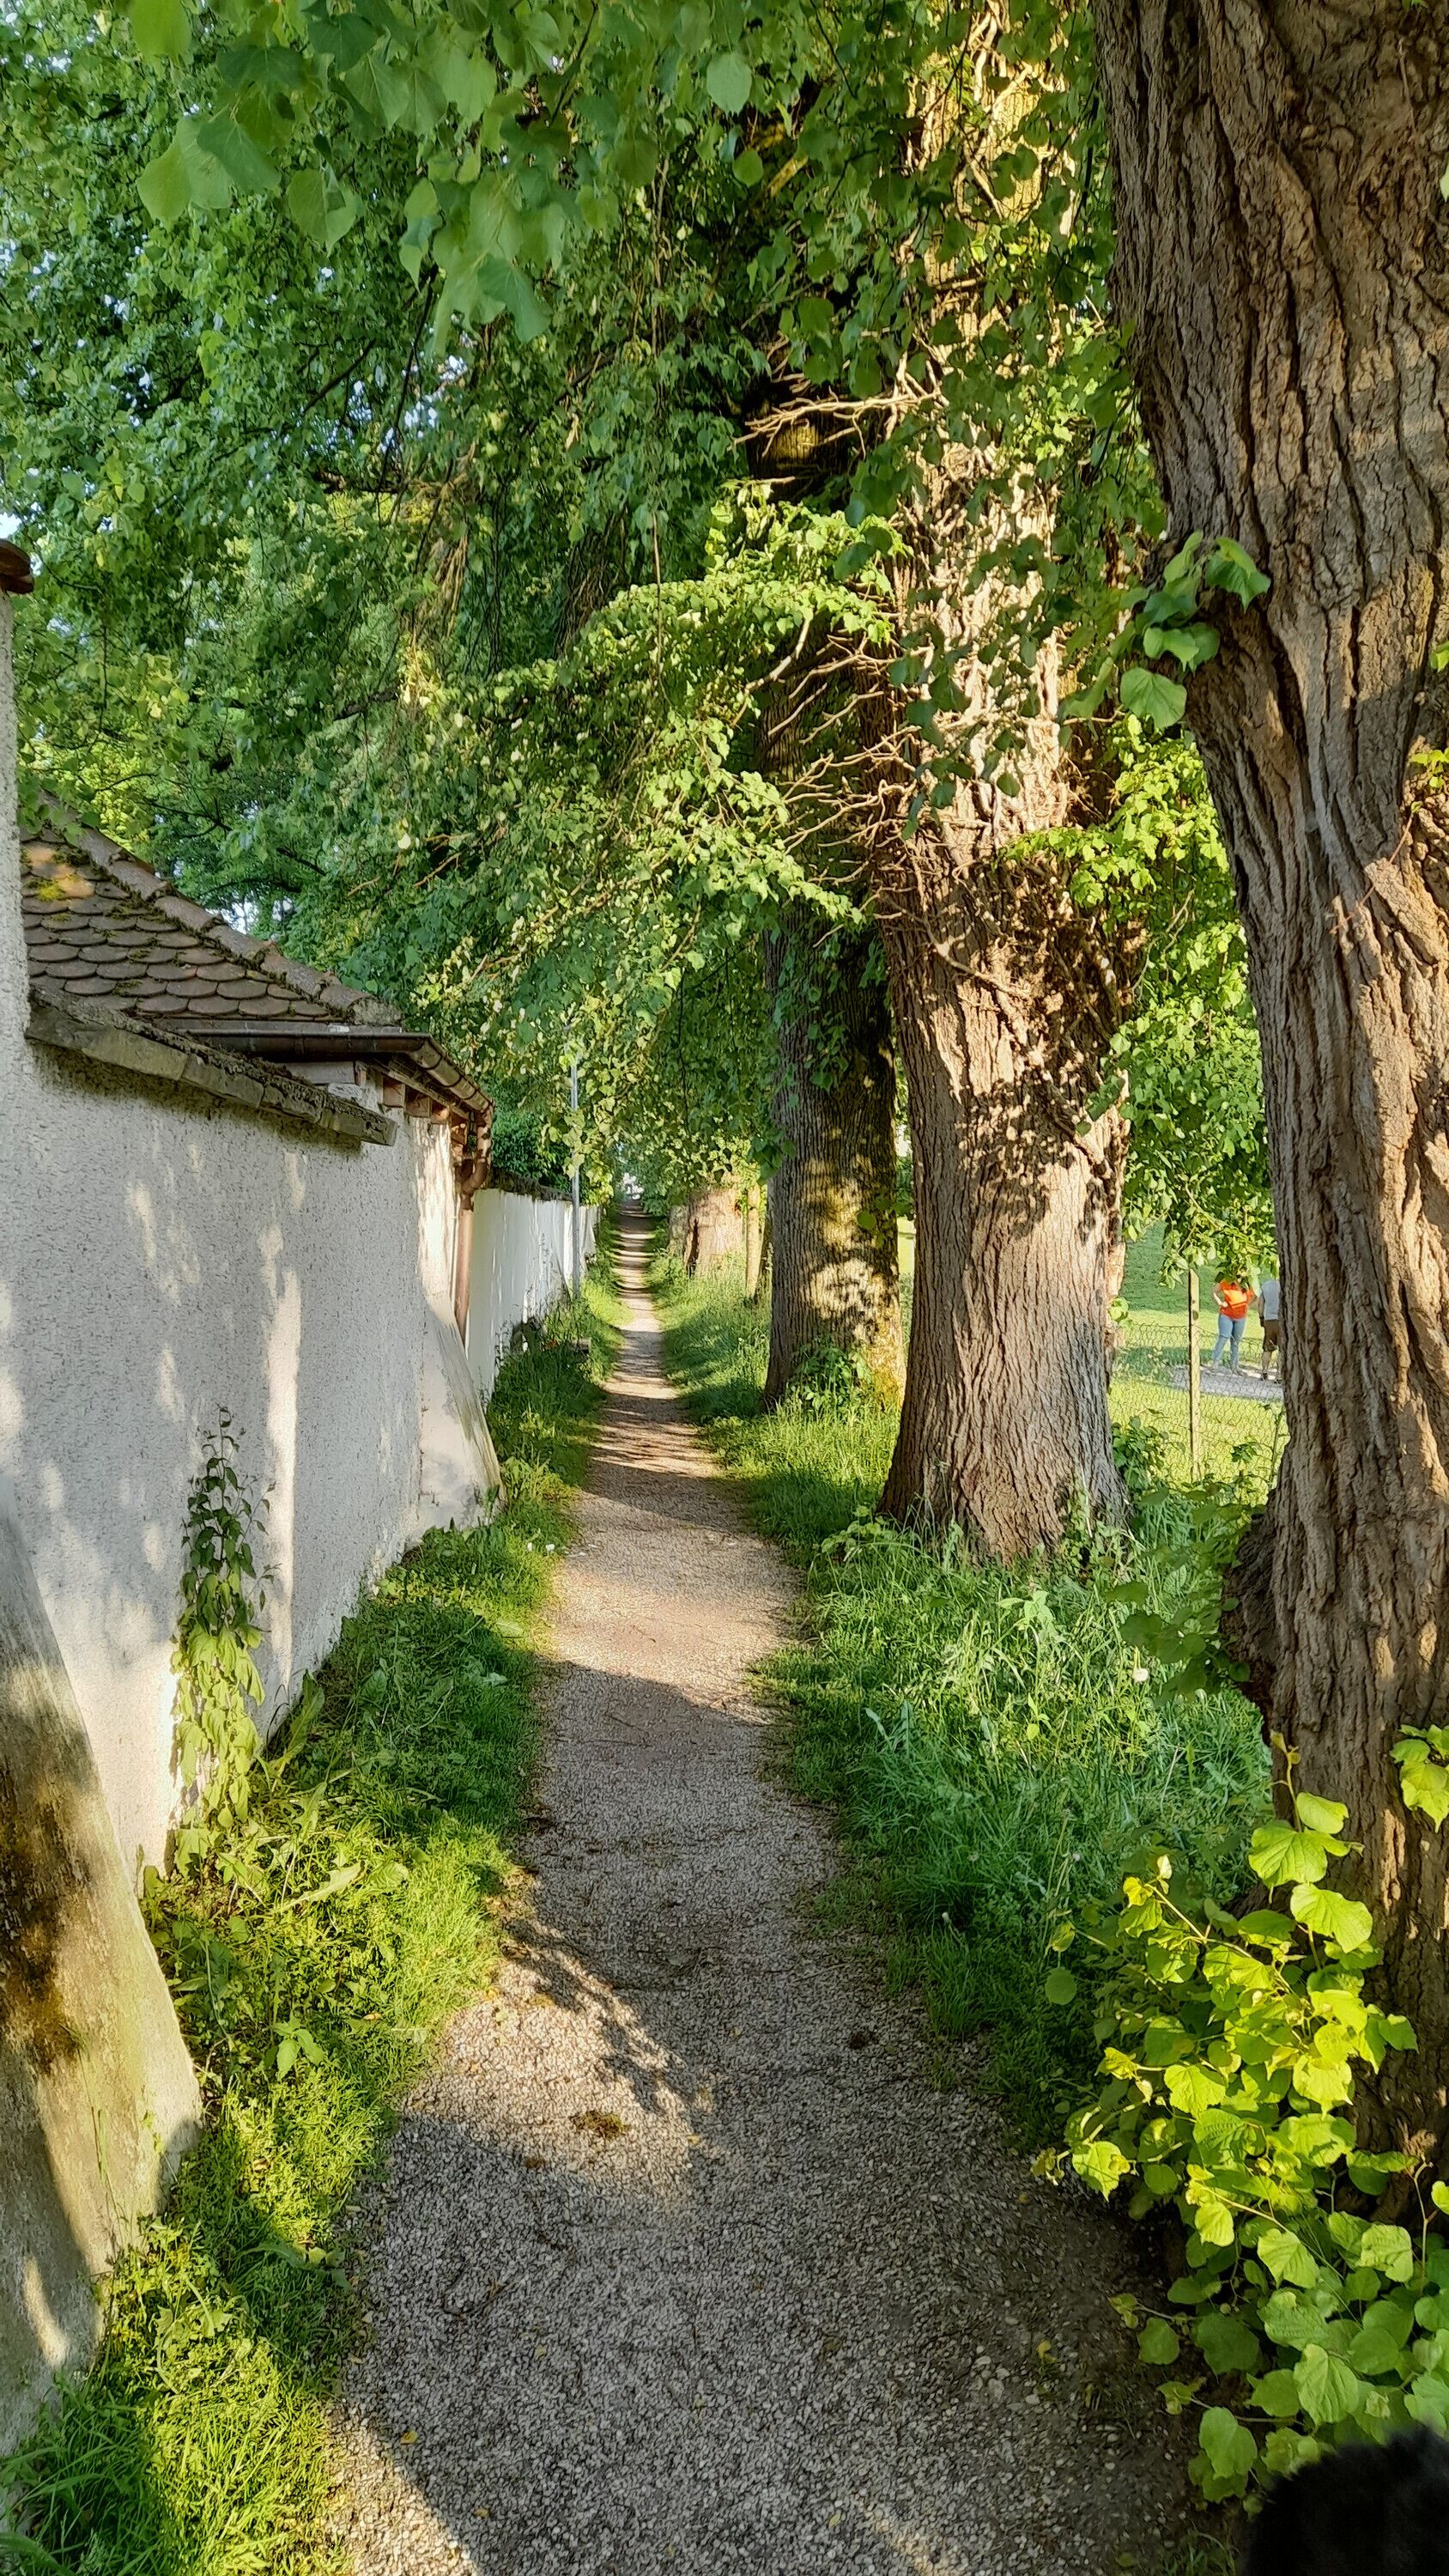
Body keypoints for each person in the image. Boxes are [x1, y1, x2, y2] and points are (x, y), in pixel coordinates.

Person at [1212, 1274, 1252, 1369]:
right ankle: (1215, 1362)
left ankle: (1234, 1364)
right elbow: (1215, 1291)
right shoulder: (1227, 1282)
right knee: (1224, 1337)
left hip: (1241, 1316)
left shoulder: (1247, 1285)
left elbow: (1257, 1296)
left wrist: (1248, 1305)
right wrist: (1220, 1303)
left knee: (1236, 1341)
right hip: (1227, 1315)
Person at [1258, 1271, 1282, 1379]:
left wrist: (1261, 1318)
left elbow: (1260, 1304)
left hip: (1269, 1320)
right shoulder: (1286, 1286)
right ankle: (1279, 1374)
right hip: (1282, 1321)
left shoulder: (1266, 1286)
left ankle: (1264, 1371)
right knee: (1282, 1349)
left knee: (1267, 1348)